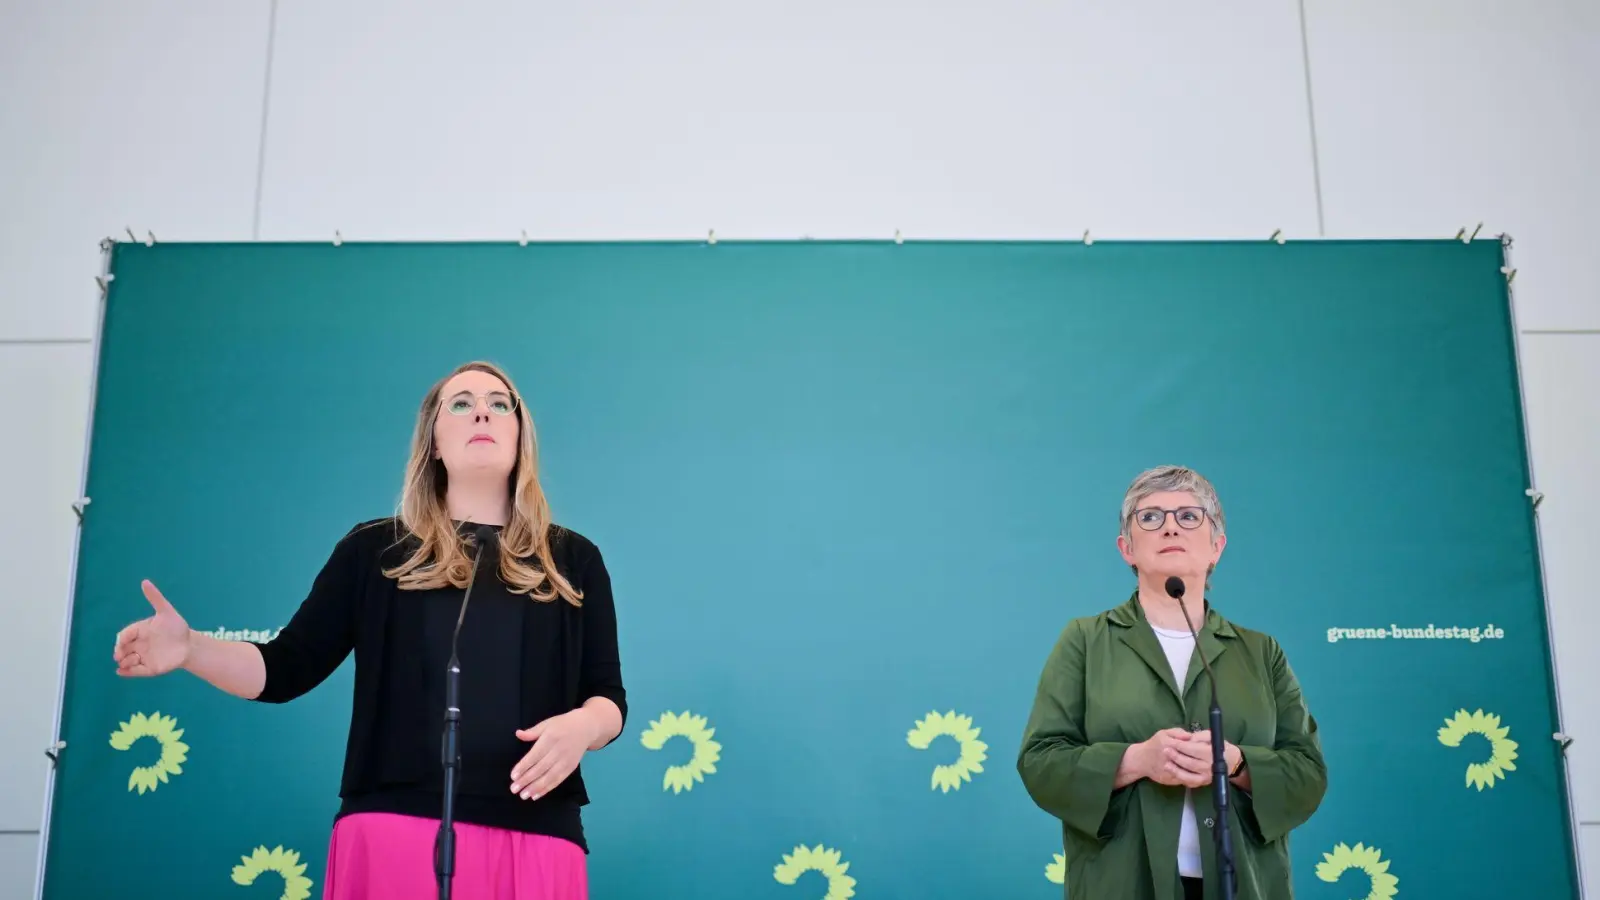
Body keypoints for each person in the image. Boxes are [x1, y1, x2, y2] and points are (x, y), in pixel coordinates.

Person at [111, 360, 626, 900]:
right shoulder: (373, 551)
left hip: (536, 836)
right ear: (433, 440)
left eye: (500, 404)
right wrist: (190, 648)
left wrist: (582, 729)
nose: (482, 411)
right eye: (461, 402)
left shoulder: (572, 559)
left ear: (521, 435)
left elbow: (607, 698)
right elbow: (282, 668)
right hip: (392, 831)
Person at [1017, 465, 1326, 900]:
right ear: (1127, 548)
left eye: (1188, 516)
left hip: (1244, 884)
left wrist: (1236, 764)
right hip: (1121, 883)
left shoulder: (1261, 652)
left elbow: (1308, 773)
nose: (1168, 528)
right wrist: (1136, 760)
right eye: (1150, 517)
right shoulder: (1085, 641)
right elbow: (1040, 762)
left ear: (1216, 546)